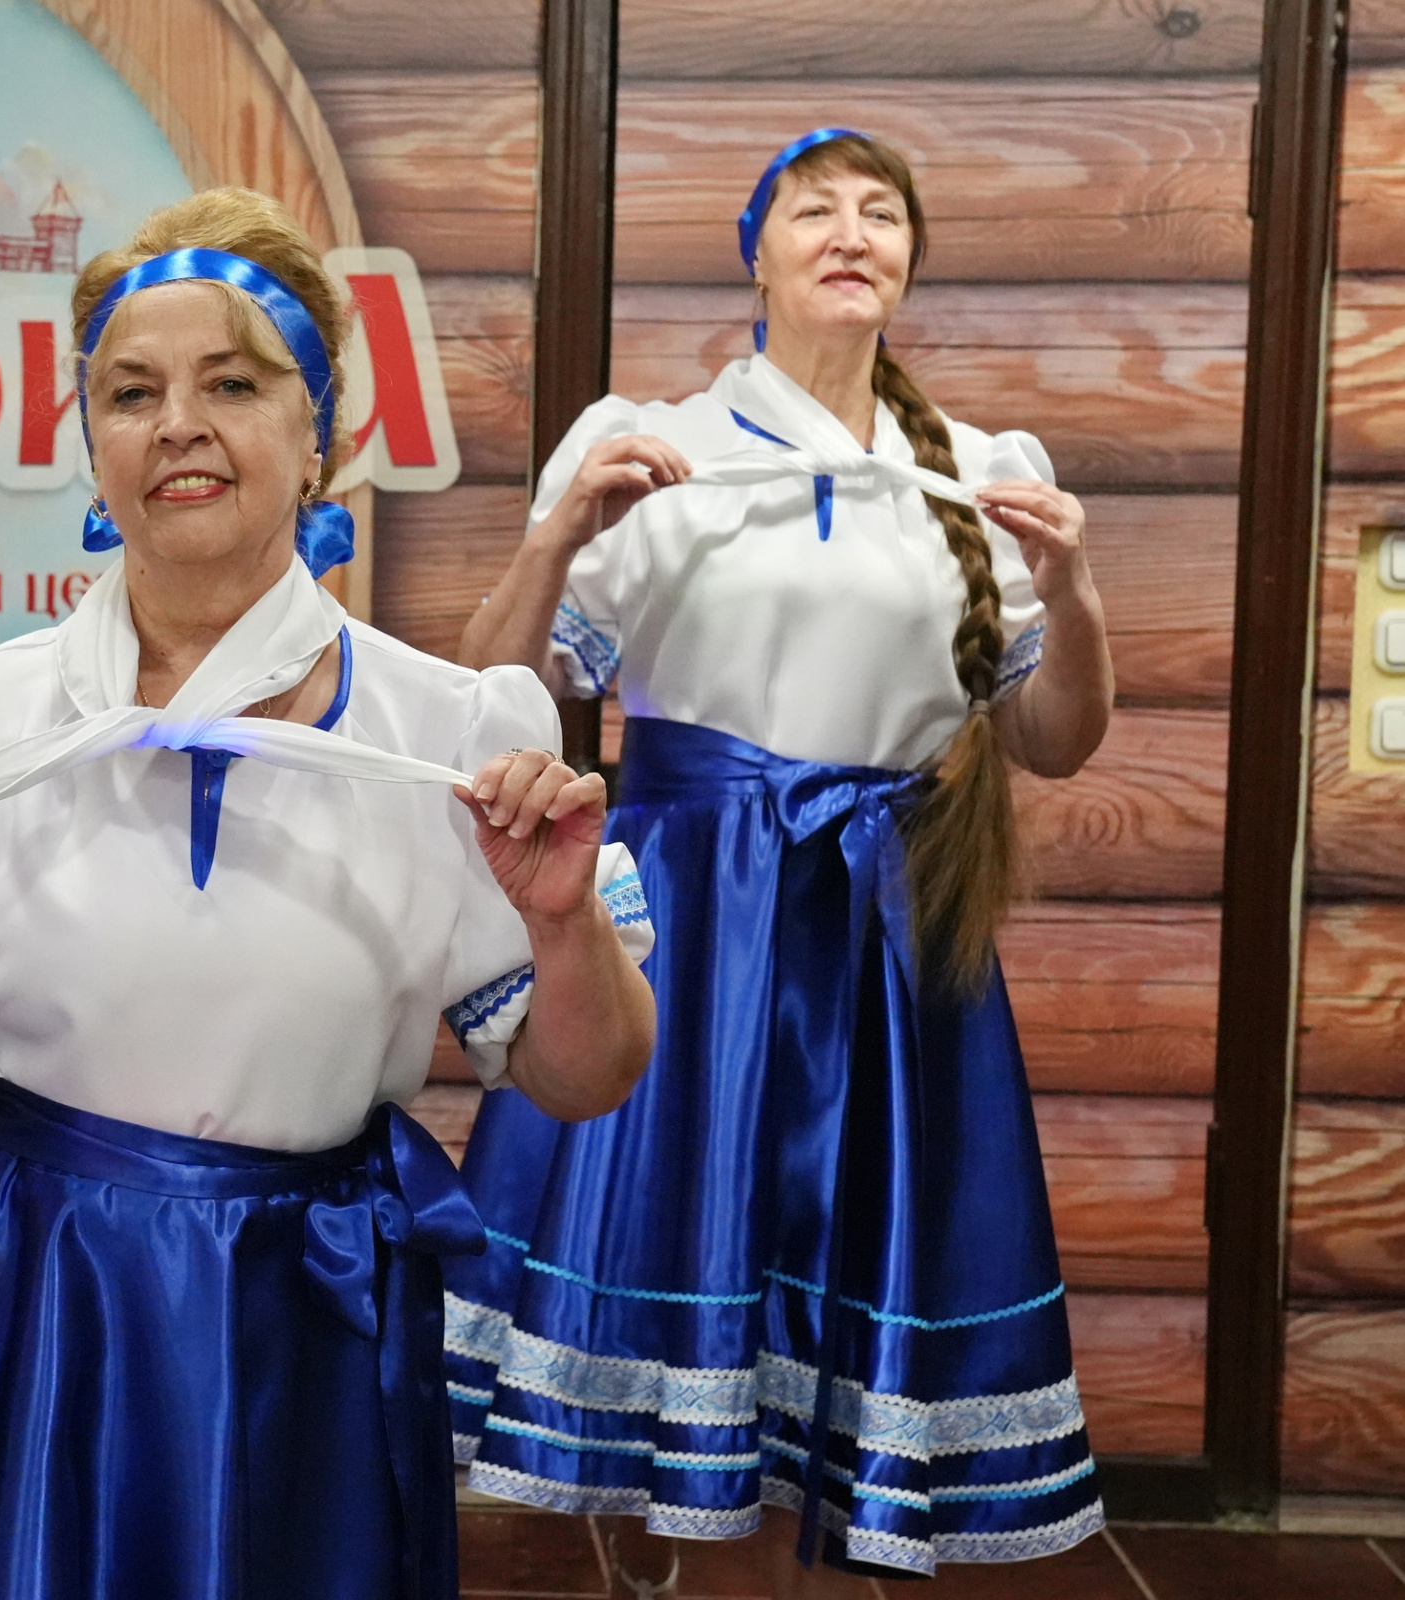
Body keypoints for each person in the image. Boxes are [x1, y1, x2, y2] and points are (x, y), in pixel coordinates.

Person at [0, 187, 658, 1600]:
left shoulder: (450, 729)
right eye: (131, 393)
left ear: (322, 429)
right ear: (91, 441)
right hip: (9, 1304)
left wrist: (559, 920)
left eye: (232, 384)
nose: (177, 424)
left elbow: (586, 1075)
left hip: (298, 1327)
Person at [441, 130, 1115, 1594]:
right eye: (815, 210)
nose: (851, 233)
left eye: (882, 212)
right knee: (690, 1274)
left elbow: (1054, 741)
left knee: (846, 1313)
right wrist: (558, 533)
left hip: (889, 922)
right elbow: (493, 689)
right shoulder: (659, 445)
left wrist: (1072, 593)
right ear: (756, 254)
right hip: (694, 922)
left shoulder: (979, 474)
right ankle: (680, 1560)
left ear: (911, 261)